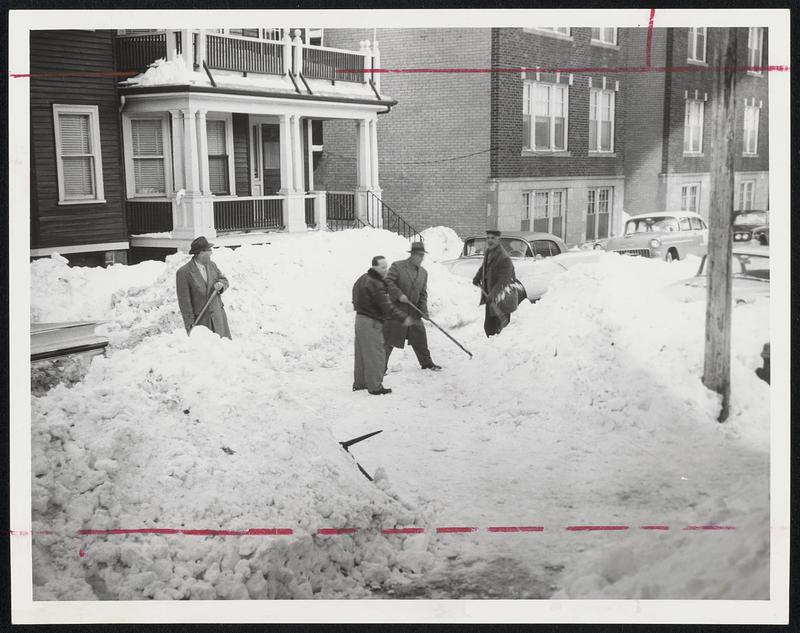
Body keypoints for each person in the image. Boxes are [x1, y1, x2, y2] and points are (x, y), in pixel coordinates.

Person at [352, 256, 414, 395]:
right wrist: (403, 318)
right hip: (371, 322)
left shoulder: (362, 278)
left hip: (360, 319)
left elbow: (354, 296)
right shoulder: (376, 283)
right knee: (376, 354)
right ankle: (375, 387)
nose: (386, 270)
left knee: (362, 353)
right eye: (382, 267)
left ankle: (360, 383)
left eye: (386, 267)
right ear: (374, 267)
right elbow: (387, 306)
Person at [384, 242, 442, 372]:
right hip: (397, 311)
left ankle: (426, 363)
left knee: (420, 337)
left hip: (414, 312)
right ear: (412, 255)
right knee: (390, 340)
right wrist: (398, 295)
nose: (421, 258)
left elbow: (423, 294)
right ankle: (380, 367)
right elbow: (387, 282)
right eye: (419, 255)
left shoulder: (423, 273)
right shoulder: (398, 266)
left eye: (423, 255)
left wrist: (424, 311)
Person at [176, 236, 232, 339]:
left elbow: (224, 280)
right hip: (202, 322)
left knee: (224, 351)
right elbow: (185, 304)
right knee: (207, 352)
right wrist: (190, 327)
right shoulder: (184, 273)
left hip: (218, 319)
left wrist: (221, 285)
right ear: (201, 253)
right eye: (209, 250)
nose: (211, 253)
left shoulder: (212, 265)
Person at [472, 230, 520, 337]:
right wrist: (478, 276)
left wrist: (493, 294)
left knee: (498, 330)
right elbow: (484, 266)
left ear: (499, 240)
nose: (490, 240)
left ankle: (499, 350)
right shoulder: (490, 251)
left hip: (502, 299)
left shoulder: (504, 258)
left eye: (493, 238)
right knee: (489, 328)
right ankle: (492, 347)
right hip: (492, 297)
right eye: (488, 238)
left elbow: (504, 281)